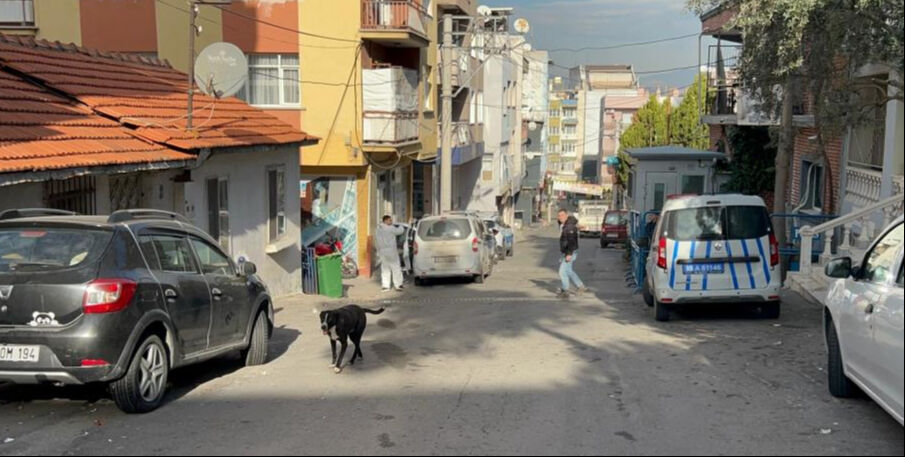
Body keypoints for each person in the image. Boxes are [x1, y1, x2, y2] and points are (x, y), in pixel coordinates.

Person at [557, 209, 588, 299]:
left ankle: (565, 290)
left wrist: (569, 254)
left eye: (562, 215)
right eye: (559, 216)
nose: (560, 217)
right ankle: (580, 286)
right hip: (567, 251)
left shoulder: (569, 226)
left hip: (570, 251)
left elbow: (572, 241)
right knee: (568, 271)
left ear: (566, 215)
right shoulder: (566, 224)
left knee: (562, 271)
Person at [376, 215, 407, 292]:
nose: (391, 222)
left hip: (382, 251)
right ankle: (398, 285)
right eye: (390, 220)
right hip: (391, 251)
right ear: (385, 221)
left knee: (385, 269)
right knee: (396, 267)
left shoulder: (378, 229)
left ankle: (385, 286)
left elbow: (377, 241)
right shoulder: (390, 228)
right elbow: (400, 231)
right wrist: (401, 225)